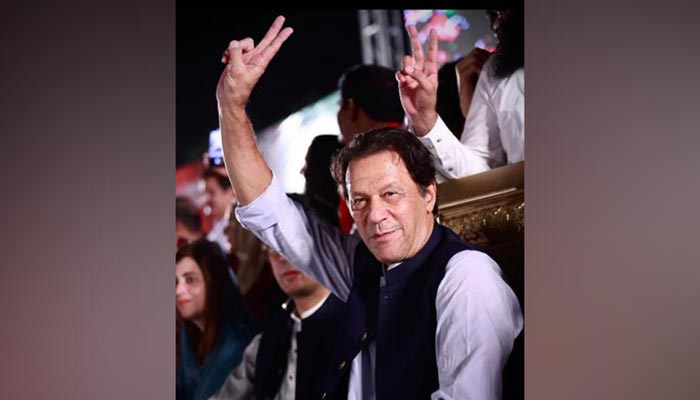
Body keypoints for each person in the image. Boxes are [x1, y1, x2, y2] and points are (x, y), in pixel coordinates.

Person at [215, 16, 522, 400]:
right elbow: (268, 210)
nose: (375, 216)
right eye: (359, 201)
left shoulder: (466, 279)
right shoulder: (361, 264)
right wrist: (232, 105)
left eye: (391, 194)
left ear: (428, 194)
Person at [212, 198, 346, 400]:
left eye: (294, 245)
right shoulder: (268, 338)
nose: (283, 257)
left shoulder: (353, 330)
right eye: (273, 247)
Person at [398, 9, 524, 182]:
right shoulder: (496, 71)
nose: (496, 23)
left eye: (503, 11)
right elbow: (479, 176)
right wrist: (425, 121)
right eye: (492, 13)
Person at [176, 239, 253, 400]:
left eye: (190, 280)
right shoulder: (190, 338)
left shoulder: (238, 343)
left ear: (213, 282)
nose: (178, 291)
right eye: (176, 282)